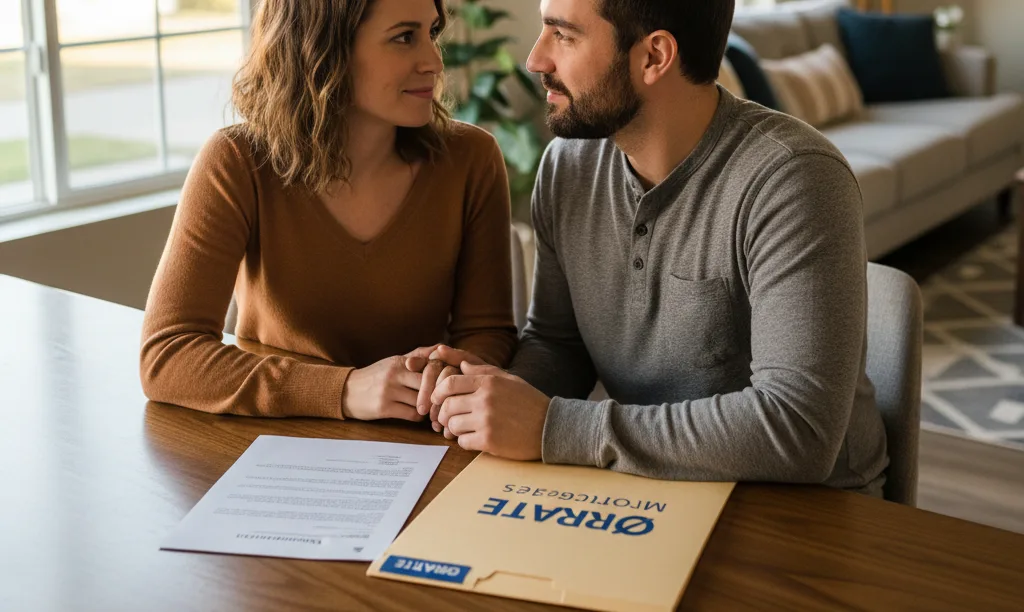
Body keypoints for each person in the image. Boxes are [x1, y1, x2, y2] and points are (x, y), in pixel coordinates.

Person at [427, 0, 889, 495]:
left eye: (563, 36)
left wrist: (555, 428)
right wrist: (486, 395)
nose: (536, 59)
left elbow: (800, 430)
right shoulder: (569, 166)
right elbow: (560, 343)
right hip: (651, 487)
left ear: (654, 57)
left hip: (807, 509)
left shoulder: (793, 179)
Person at [140, 0, 517, 422]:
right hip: (276, 447)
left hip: (421, 443)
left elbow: (488, 334)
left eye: (431, 33)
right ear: (322, 48)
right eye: (404, 37)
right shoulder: (236, 162)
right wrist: (345, 390)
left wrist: (450, 372)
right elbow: (167, 356)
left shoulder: (471, 159)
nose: (433, 61)